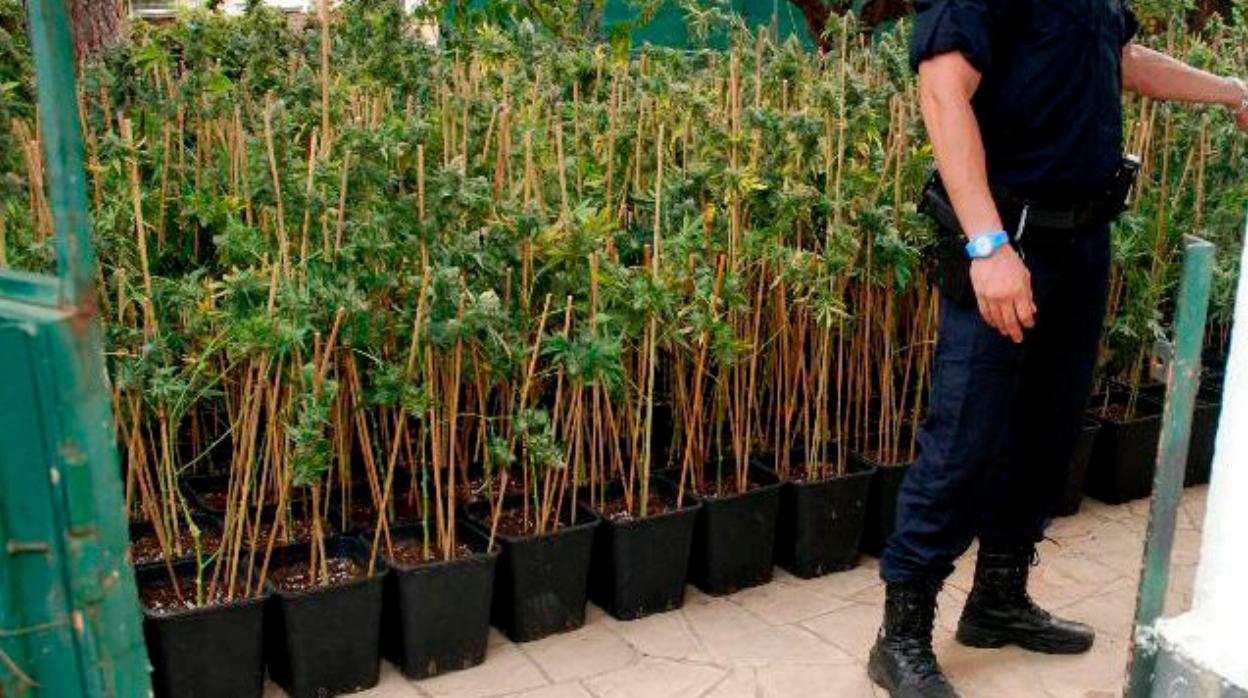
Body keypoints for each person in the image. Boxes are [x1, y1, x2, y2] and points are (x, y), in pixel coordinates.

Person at [867, 2, 1248, 696]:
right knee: (966, 434)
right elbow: (942, 88)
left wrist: (1232, 92)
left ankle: (997, 601)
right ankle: (901, 635)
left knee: (1049, 429)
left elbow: (1121, 61)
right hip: (1005, 239)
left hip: (1079, 239)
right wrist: (987, 246)